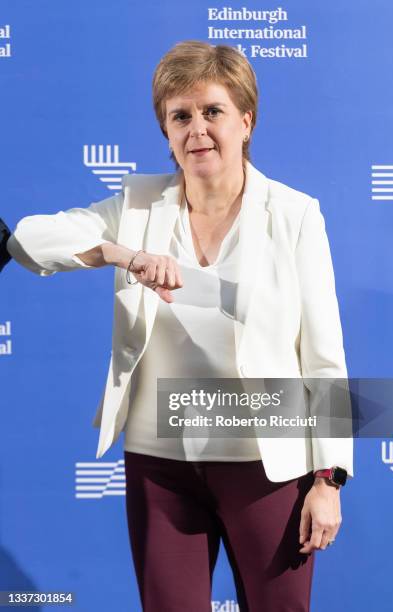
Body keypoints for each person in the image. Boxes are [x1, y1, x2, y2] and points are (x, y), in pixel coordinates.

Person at [7, 40, 353, 612]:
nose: (197, 129)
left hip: (265, 467)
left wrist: (328, 479)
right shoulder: (139, 204)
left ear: (246, 120)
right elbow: (29, 240)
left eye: (212, 111)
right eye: (180, 116)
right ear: (166, 131)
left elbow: (324, 357)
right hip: (160, 464)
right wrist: (124, 254)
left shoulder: (295, 214)